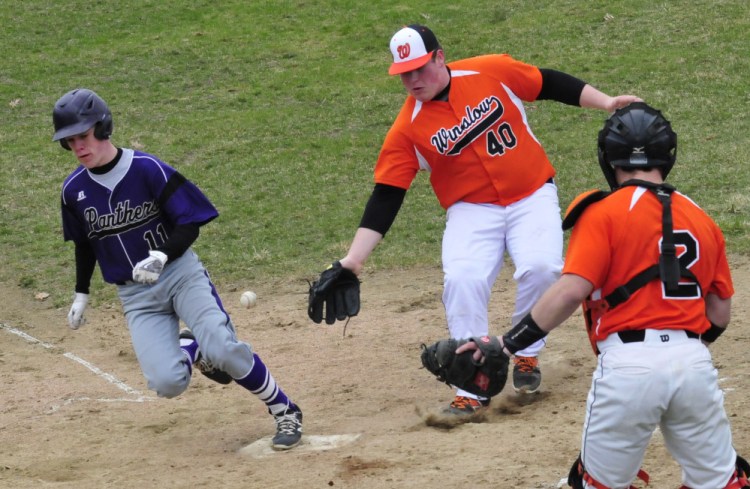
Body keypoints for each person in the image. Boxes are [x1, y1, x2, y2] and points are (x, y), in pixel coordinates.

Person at [324, 24, 640, 414]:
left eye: (420, 68)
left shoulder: (488, 71)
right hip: (471, 210)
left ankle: (526, 352)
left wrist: (606, 102)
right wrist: (353, 260)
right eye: (404, 73)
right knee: (462, 279)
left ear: (440, 57)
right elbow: (387, 194)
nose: (412, 80)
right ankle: (472, 383)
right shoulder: (407, 129)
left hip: (532, 194)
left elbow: (547, 83)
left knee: (542, 268)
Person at [458, 102, 749, 488]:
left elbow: (570, 291)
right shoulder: (702, 218)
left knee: (598, 483)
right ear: (668, 156)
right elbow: (720, 310)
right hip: (694, 365)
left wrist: (509, 343)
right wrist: (683, 348)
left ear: (607, 158)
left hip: (628, 368)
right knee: (718, 482)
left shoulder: (602, 212)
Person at [53, 88, 303, 450]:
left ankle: (285, 410)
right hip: (136, 295)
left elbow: (191, 221)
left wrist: (162, 255)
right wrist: (81, 294)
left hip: (180, 275)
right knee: (167, 383)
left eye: (83, 136)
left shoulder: (146, 169)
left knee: (224, 349)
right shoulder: (72, 190)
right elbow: (84, 245)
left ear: (103, 128)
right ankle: (192, 349)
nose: (78, 146)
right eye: (69, 141)